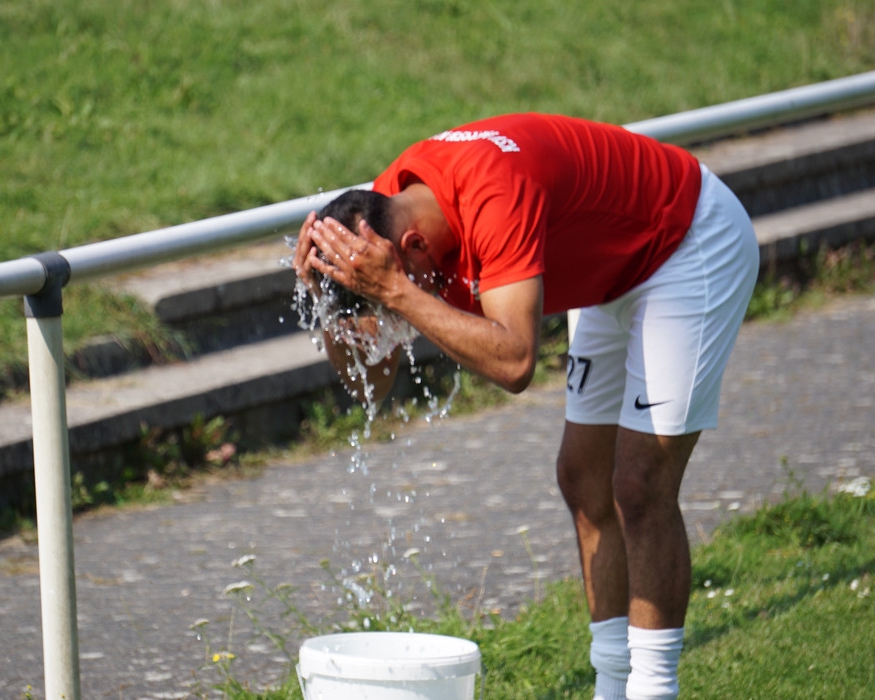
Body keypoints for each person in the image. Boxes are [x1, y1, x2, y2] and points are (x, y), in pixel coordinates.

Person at [292, 113, 758, 700]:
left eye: (385, 293)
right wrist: (327, 297)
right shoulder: (387, 216)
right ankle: (611, 687)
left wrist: (396, 292)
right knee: (581, 477)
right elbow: (370, 384)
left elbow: (514, 362)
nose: (389, 308)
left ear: (411, 247)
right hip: (614, 269)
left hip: (686, 241)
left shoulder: (492, 196)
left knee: (640, 484)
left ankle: (653, 691)